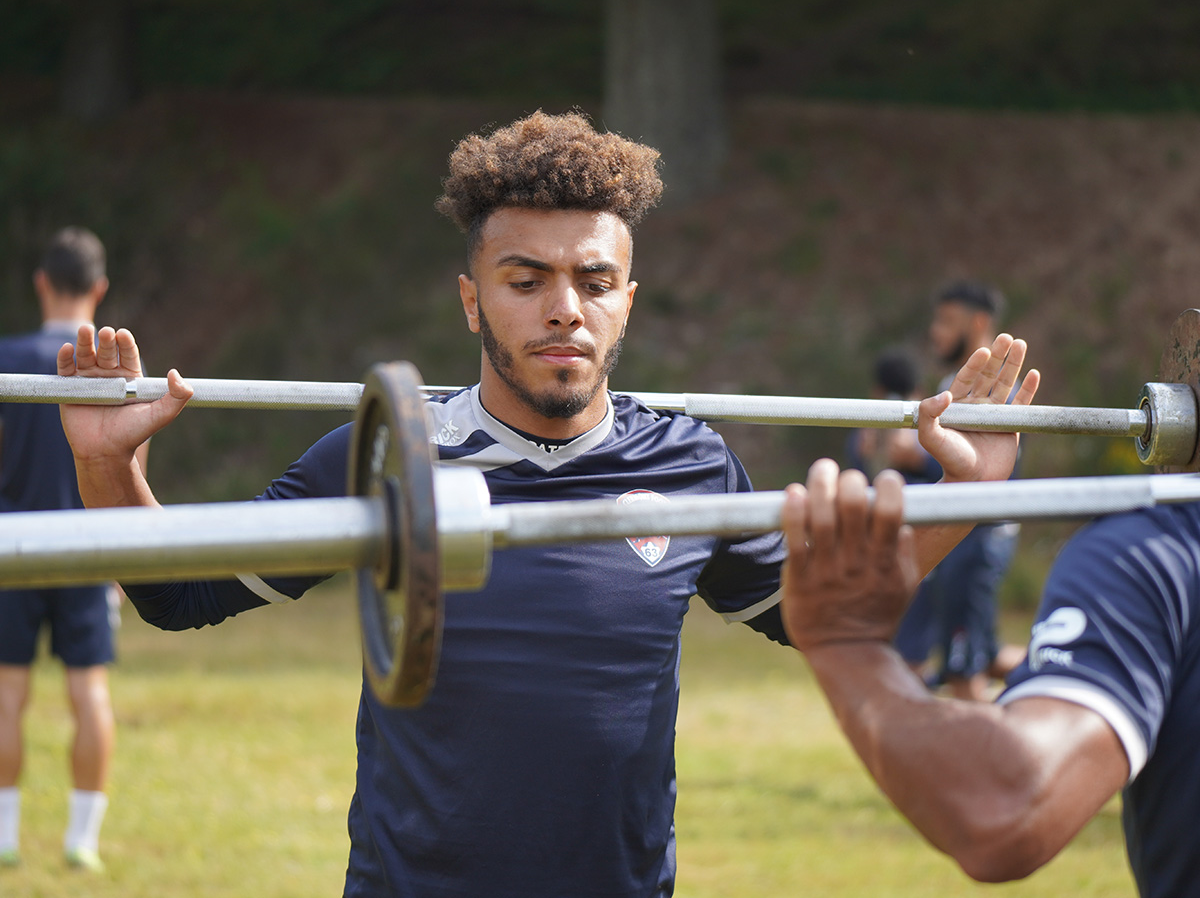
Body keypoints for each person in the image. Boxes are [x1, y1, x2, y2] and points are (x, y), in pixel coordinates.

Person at [54, 111, 1036, 897]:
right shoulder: (389, 456)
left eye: (592, 280)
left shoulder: (692, 465)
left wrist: (970, 492)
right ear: (473, 300)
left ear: (627, 301)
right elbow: (179, 595)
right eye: (525, 281)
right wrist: (107, 470)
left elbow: (815, 611)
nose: (564, 307)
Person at [778, 458, 1192, 898]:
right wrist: (964, 484)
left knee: (968, 664)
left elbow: (1005, 808)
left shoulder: (1157, 548)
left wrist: (847, 644)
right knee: (970, 661)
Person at [0, 227, 143, 872]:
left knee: (7, 695)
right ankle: (81, 841)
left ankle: (3, 838)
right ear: (100, 288)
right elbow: (131, 459)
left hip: (13, 552)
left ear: (41, 282)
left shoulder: (5, 358)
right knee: (89, 694)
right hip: (88, 549)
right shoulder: (113, 370)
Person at [924, 280, 1025, 699]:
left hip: (978, 537)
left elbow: (998, 461)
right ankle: (1063, 665)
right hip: (961, 536)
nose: (935, 330)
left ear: (978, 322)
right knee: (981, 655)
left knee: (965, 672)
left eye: (947, 321)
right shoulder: (954, 380)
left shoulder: (995, 386)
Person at [845, 348, 942, 673]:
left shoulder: (928, 436)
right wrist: (866, 453)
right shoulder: (866, 432)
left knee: (913, 639)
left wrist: (917, 458)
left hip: (917, 539)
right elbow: (858, 477)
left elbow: (945, 476)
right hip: (877, 540)